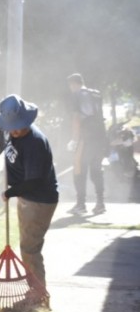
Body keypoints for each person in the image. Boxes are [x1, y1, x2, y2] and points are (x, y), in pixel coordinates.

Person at [0, 94, 59, 301]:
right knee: (27, 246)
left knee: (30, 248)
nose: (16, 130)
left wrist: (9, 192)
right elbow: (5, 146)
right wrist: (3, 133)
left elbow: (35, 181)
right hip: (27, 198)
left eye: (20, 126)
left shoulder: (35, 143)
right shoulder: (9, 130)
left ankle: (38, 297)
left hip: (38, 200)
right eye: (11, 126)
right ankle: (34, 291)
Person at [66, 73, 106, 215]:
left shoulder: (77, 95)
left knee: (79, 170)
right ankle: (100, 203)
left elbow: (77, 118)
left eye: (70, 85)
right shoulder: (96, 94)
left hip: (85, 138)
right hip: (100, 138)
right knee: (96, 170)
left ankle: (81, 204)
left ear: (73, 84)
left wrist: (74, 140)